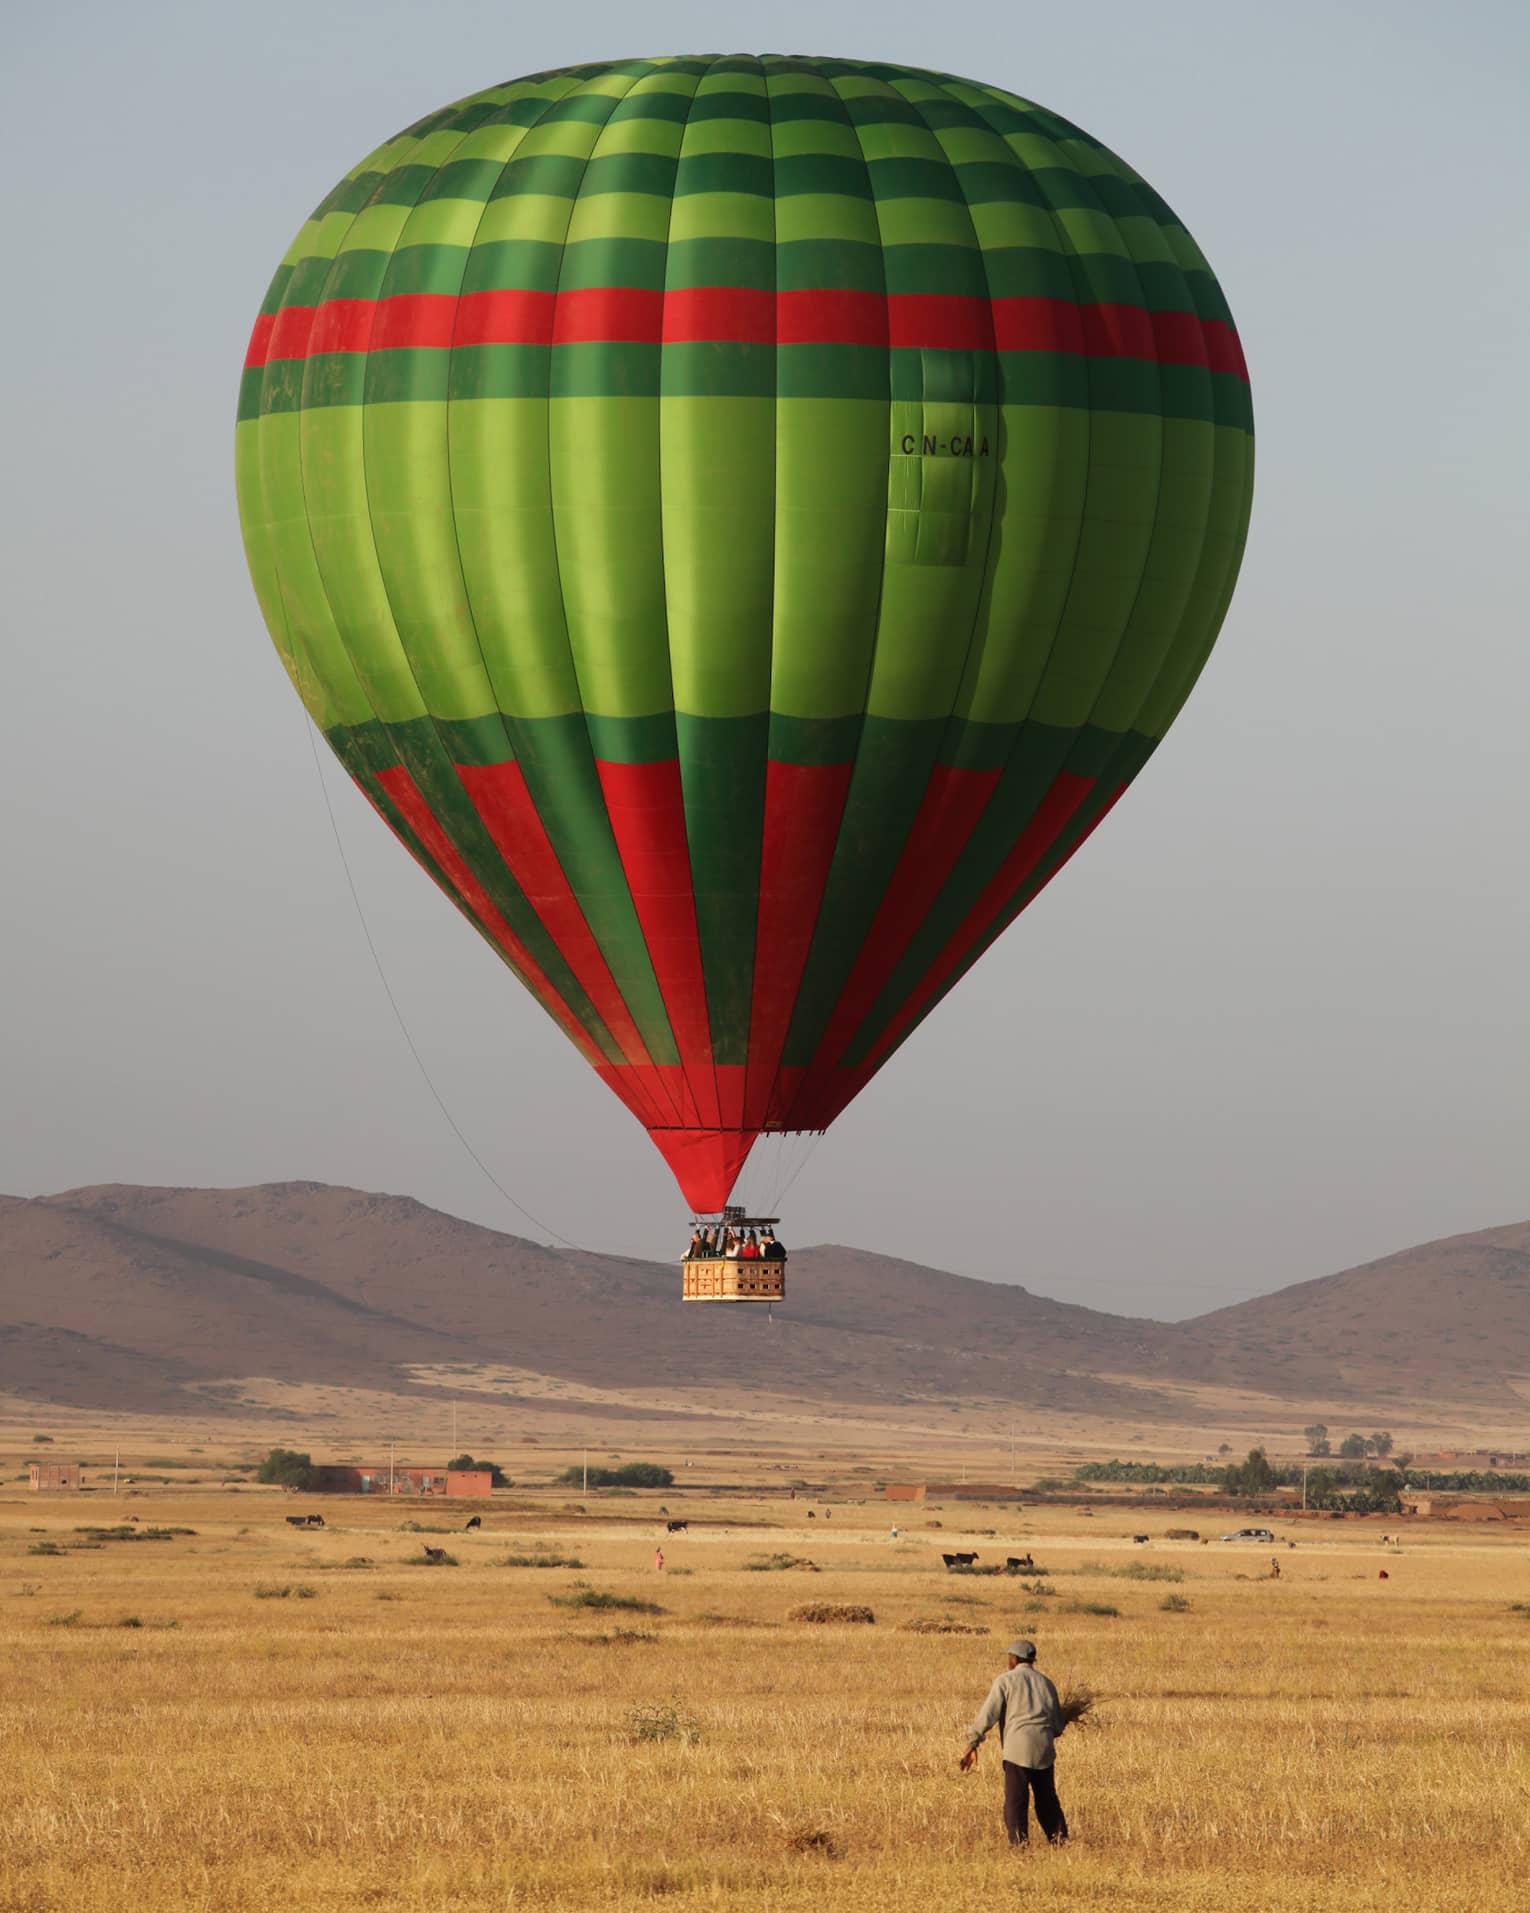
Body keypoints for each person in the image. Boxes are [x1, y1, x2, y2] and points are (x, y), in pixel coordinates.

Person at [959, 1640, 1069, 1846]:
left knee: (1015, 1802)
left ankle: (1019, 1845)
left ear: (1014, 1659)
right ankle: (1060, 1840)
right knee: (1047, 1801)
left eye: (1008, 1657)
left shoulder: (1005, 1681)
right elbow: (1057, 1726)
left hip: (1017, 1751)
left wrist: (972, 1742)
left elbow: (988, 1715)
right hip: (1044, 1751)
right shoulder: (1047, 1683)